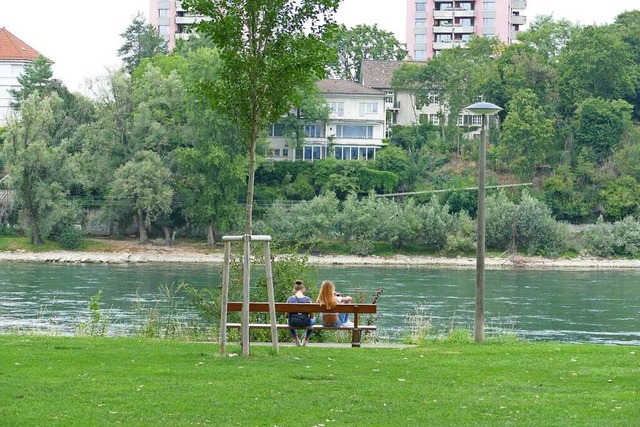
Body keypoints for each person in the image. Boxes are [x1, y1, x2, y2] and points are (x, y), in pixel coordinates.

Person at [286, 280, 315, 346]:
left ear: (294, 289)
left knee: (288, 321)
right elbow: (312, 316)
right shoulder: (308, 299)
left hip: (293, 323)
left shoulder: (290, 299)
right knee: (314, 320)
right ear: (303, 289)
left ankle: (296, 340)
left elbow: (286, 315)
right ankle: (305, 340)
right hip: (305, 323)